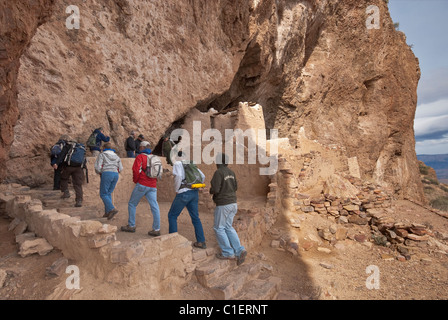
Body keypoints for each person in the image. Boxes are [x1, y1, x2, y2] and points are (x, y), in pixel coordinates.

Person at [210, 153, 247, 265]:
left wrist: (211, 190)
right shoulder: (231, 172)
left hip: (223, 204)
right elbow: (235, 187)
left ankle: (227, 252)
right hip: (233, 203)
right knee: (228, 227)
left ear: (218, 162)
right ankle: (240, 250)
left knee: (219, 228)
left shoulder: (218, 172)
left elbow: (215, 189)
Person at [121, 141, 161, 236]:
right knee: (154, 206)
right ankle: (156, 229)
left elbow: (136, 170)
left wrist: (136, 181)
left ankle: (131, 225)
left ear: (142, 147)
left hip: (142, 183)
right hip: (153, 185)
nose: (139, 148)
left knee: (132, 204)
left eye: (140, 147)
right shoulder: (155, 157)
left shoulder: (140, 157)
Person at [168, 151, 206, 249]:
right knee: (195, 218)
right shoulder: (192, 164)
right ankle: (201, 241)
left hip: (184, 193)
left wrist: (177, 190)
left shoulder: (177, 164)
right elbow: (202, 176)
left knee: (172, 216)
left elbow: (178, 177)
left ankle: (173, 242)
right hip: (194, 192)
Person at [54, 137, 87, 208]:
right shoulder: (81, 147)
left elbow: (62, 155)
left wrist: (57, 163)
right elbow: (84, 159)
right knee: (78, 184)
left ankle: (66, 192)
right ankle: (79, 201)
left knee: (63, 178)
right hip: (79, 168)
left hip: (69, 166)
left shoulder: (68, 146)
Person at [94, 142, 123, 220]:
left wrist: (100, 172)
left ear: (103, 147)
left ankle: (112, 209)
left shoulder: (102, 155)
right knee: (108, 193)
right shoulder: (116, 156)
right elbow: (121, 168)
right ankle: (108, 212)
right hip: (115, 174)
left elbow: (97, 167)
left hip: (107, 173)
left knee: (103, 194)